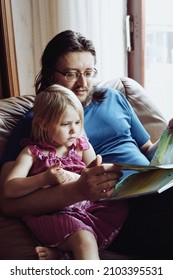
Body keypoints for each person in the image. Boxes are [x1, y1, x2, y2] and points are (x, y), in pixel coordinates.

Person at [1, 30, 173, 259]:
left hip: (149, 191)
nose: (83, 83)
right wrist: (76, 189)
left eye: (89, 72)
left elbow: (147, 151)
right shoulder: (41, 122)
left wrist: (167, 137)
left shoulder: (115, 97)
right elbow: (7, 203)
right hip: (112, 208)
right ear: (51, 75)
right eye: (71, 74)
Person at [2, 84, 128, 260]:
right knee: (85, 240)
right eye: (65, 124)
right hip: (54, 213)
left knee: (121, 207)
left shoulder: (81, 145)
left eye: (77, 122)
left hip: (85, 208)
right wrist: (44, 178)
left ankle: (62, 254)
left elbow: (92, 172)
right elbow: (10, 188)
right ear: (43, 124)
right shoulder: (32, 153)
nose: (74, 130)